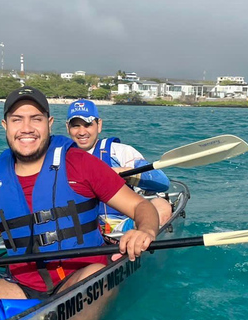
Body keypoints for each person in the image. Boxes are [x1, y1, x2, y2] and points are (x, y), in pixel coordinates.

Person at [0, 86, 159, 320]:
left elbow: (140, 206)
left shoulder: (81, 164)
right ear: (5, 125)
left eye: (35, 118)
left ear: (49, 123)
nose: (26, 128)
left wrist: (144, 230)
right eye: (17, 120)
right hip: (24, 289)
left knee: (93, 277)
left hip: (80, 284)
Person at [65, 99, 173, 234]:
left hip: (122, 227)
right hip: (83, 230)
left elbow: (162, 182)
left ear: (99, 125)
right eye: (75, 126)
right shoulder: (61, 158)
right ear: (67, 128)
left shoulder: (119, 152)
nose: (82, 132)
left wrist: (124, 173)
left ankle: (138, 241)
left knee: (162, 205)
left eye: (87, 124)